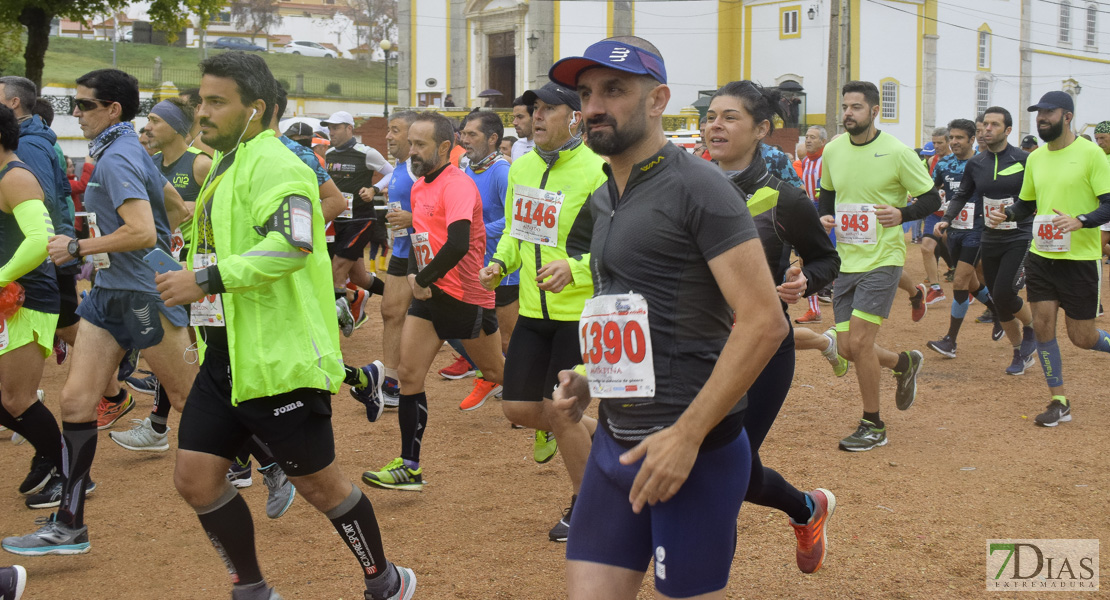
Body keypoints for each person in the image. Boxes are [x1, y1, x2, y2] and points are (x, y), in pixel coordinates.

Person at [152, 51, 415, 600]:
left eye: (217, 102)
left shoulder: (279, 164)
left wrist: (207, 278)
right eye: (202, 100)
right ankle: (252, 589)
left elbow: (292, 247)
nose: (203, 113)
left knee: (320, 487)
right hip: (227, 358)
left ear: (259, 109)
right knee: (195, 481)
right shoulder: (227, 162)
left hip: (278, 361)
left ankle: (385, 581)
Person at [549, 36, 787, 599]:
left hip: (693, 452)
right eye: (585, 94)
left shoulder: (699, 188)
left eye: (614, 90)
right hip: (616, 441)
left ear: (658, 100)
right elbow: (636, 307)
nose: (594, 107)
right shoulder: (608, 194)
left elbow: (764, 321)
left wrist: (688, 434)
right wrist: (595, 375)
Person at [3, 68, 196, 555]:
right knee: (74, 402)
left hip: (140, 296)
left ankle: (276, 461)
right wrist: (154, 246)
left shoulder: (118, 156)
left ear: (114, 109)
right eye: (73, 105)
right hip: (109, 295)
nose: (76, 114)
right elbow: (174, 207)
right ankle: (69, 524)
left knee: (188, 399)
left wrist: (79, 246)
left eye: (84, 106)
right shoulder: (122, 150)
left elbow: (143, 231)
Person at [707, 80, 841, 574]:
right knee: (722, 468)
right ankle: (806, 507)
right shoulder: (685, 188)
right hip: (698, 347)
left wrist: (805, 282)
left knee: (722, 469)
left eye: (729, 117)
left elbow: (829, 260)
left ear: (762, 129)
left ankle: (704, 581)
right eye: (711, 116)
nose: (714, 125)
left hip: (761, 349)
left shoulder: (783, 198)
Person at [478, 81, 606, 543]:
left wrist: (575, 270)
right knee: (519, 407)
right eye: (534, 108)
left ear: (575, 116)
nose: (536, 116)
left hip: (580, 312)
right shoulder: (523, 167)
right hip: (533, 310)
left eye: (548, 108)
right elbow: (517, 230)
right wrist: (500, 262)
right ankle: (616, 440)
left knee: (562, 409)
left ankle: (587, 506)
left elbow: (618, 246)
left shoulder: (599, 170)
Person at [360, 111, 504, 493]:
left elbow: (458, 243)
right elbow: (432, 234)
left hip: (465, 296)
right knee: (409, 375)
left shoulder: (458, 185)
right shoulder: (422, 185)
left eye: (420, 145)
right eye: (411, 144)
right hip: (431, 295)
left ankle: (556, 415)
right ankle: (410, 466)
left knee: (499, 374)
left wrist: (420, 279)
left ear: (444, 147)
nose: (413, 152)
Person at [816, 81, 937, 451]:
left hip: (884, 258)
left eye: (856, 107)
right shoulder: (833, 149)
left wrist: (902, 213)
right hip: (848, 260)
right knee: (850, 348)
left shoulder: (898, 152)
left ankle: (873, 424)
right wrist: (824, 215)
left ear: (874, 111)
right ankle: (903, 363)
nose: (848, 113)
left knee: (861, 341)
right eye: (845, 107)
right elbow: (828, 193)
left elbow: (931, 197)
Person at [986, 91, 1110, 427]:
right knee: (1042, 326)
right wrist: (1007, 212)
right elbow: (1027, 204)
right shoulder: (1036, 158)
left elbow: (1108, 203)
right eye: (1039, 113)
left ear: (1067, 116)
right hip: (1042, 254)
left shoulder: (1091, 154)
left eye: (1049, 112)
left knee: (1082, 338)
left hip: (1080, 258)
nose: (1042, 118)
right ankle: (1059, 399)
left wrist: (1080, 220)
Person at [108, 97, 214, 449]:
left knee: (192, 353)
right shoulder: (148, 162)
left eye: (155, 120)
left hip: (194, 272)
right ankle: (157, 426)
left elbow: (223, 216)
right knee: (174, 351)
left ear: (178, 128)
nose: (147, 126)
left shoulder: (200, 164)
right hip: (156, 268)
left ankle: (240, 448)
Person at [0, 104, 66, 508]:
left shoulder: (17, 177)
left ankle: (67, 470)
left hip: (27, 298)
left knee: (16, 397)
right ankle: (50, 454)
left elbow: (40, 241)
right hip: (10, 295)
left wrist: (1, 275)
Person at [941, 107, 1037, 374]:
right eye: (985, 124)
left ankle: (1031, 329)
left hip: (1019, 234)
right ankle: (1019, 350)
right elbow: (962, 194)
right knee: (997, 295)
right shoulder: (977, 163)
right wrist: (947, 218)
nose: (987, 129)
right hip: (990, 236)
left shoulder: (1024, 160)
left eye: (994, 125)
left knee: (1006, 292)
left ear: (1007, 130)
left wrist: (1016, 211)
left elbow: (1036, 196)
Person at [454, 109, 519, 408]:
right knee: (473, 330)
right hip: (473, 267)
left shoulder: (502, 172)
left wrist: (469, 231)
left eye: (472, 135)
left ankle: (528, 398)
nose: (464, 139)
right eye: (464, 134)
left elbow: (513, 222)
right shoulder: (469, 169)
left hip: (502, 269)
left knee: (508, 340)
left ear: (493, 139)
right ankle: (495, 377)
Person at [927, 118, 1002, 358]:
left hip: (977, 230)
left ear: (972, 140)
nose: (954, 142)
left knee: (960, 283)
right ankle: (999, 312)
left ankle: (951, 341)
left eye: (960, 138)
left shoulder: (983, 163)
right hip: (953, 232)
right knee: (970, 283)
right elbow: (932, 189)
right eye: (952, 137)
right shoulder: (944, 163)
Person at [322, 110, 392, 337]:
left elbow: (391, 172)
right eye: (330, 128)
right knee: (360, 278)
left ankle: (335, 330)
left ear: (349, 128)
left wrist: (374, 189)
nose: (331, 132)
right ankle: (380, 296)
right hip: (337, 221)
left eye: (336, 127)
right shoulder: (330, 154)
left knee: (336, 271)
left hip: (360, 219)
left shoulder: (365, 152)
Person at [375, 111, 420, 409]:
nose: (388, 136)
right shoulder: (401, 166)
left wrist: (413, 218)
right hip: (402, 248)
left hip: (425, 253)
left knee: (454, 326)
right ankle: (390, 385)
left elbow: (448, 208)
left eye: (395, 131)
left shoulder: (423, 168)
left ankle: (499, 372)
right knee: (391, 312)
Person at [796, 125, 829, 324]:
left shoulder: (829, 162)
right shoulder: (805, 162)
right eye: (807, 136)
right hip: (809, 213)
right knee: (805, 261)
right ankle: (814, 309)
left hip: (827, 215)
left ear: (823, 142)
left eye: (813, 137)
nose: (808, 140)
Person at [510, 96, 535, 160]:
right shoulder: (517, 146)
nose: (514, 122)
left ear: (534, 117)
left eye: (520, 117)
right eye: (514, 117)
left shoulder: (547, 148)